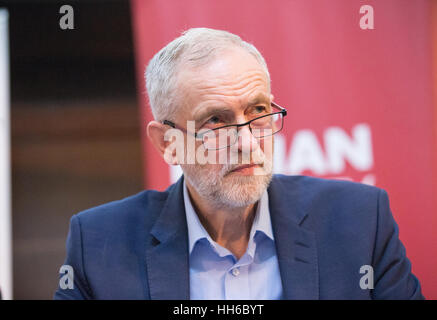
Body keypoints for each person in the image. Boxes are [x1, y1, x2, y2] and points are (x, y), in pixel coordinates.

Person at [54, 28, 424, 300]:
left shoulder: (359, 221)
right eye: (215, 121)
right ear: (168, 143)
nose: (247, 144)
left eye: (258, 111)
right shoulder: (101, 245)